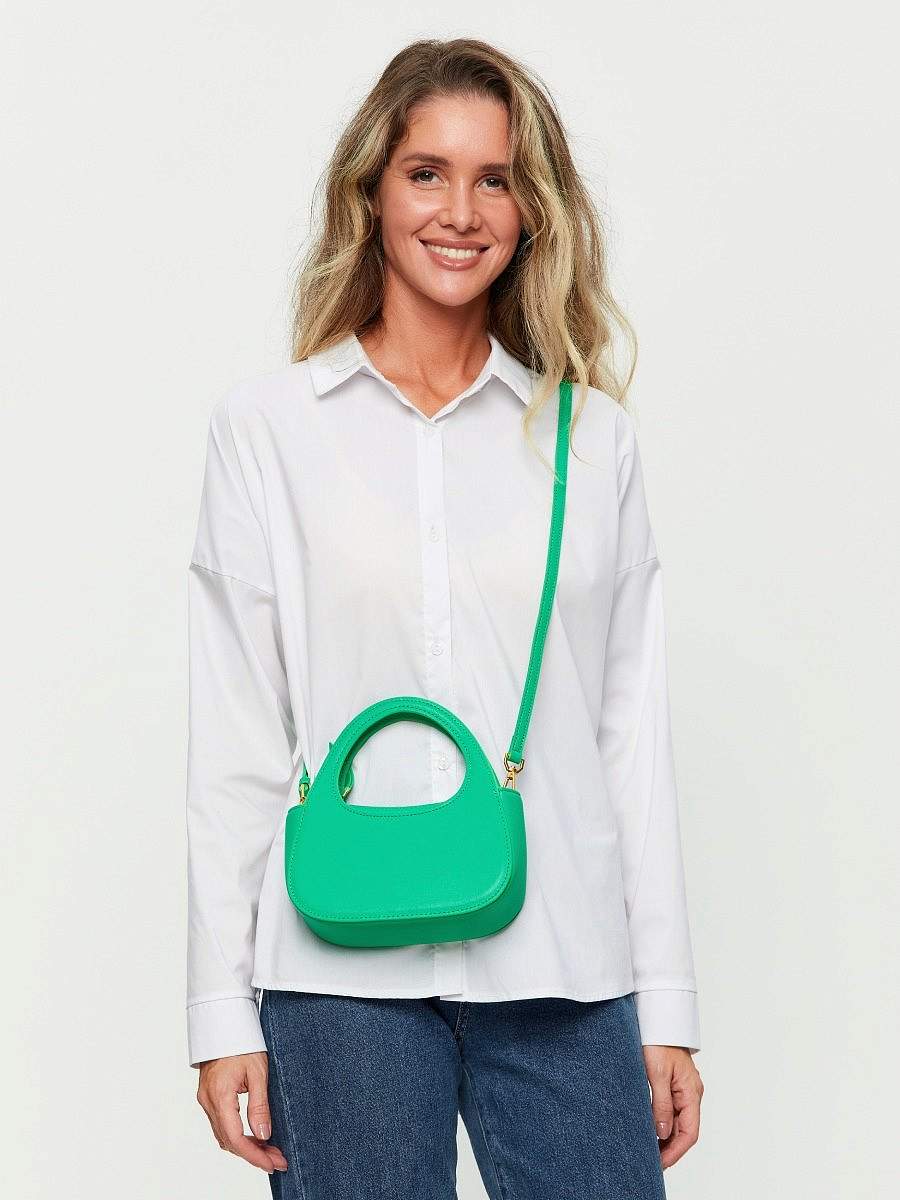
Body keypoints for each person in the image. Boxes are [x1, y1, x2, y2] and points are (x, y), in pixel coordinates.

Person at [186, 36, 704, 1199]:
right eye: (426, 173)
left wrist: (666, 1002)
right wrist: (219, 1008)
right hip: (336, 974)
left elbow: (629, 736)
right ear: (371, 192)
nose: (460, 212)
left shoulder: (592, 439)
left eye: (496, 179)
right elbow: (236, 735)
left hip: (562, 964)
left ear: (534, 211)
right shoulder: (269, 430)